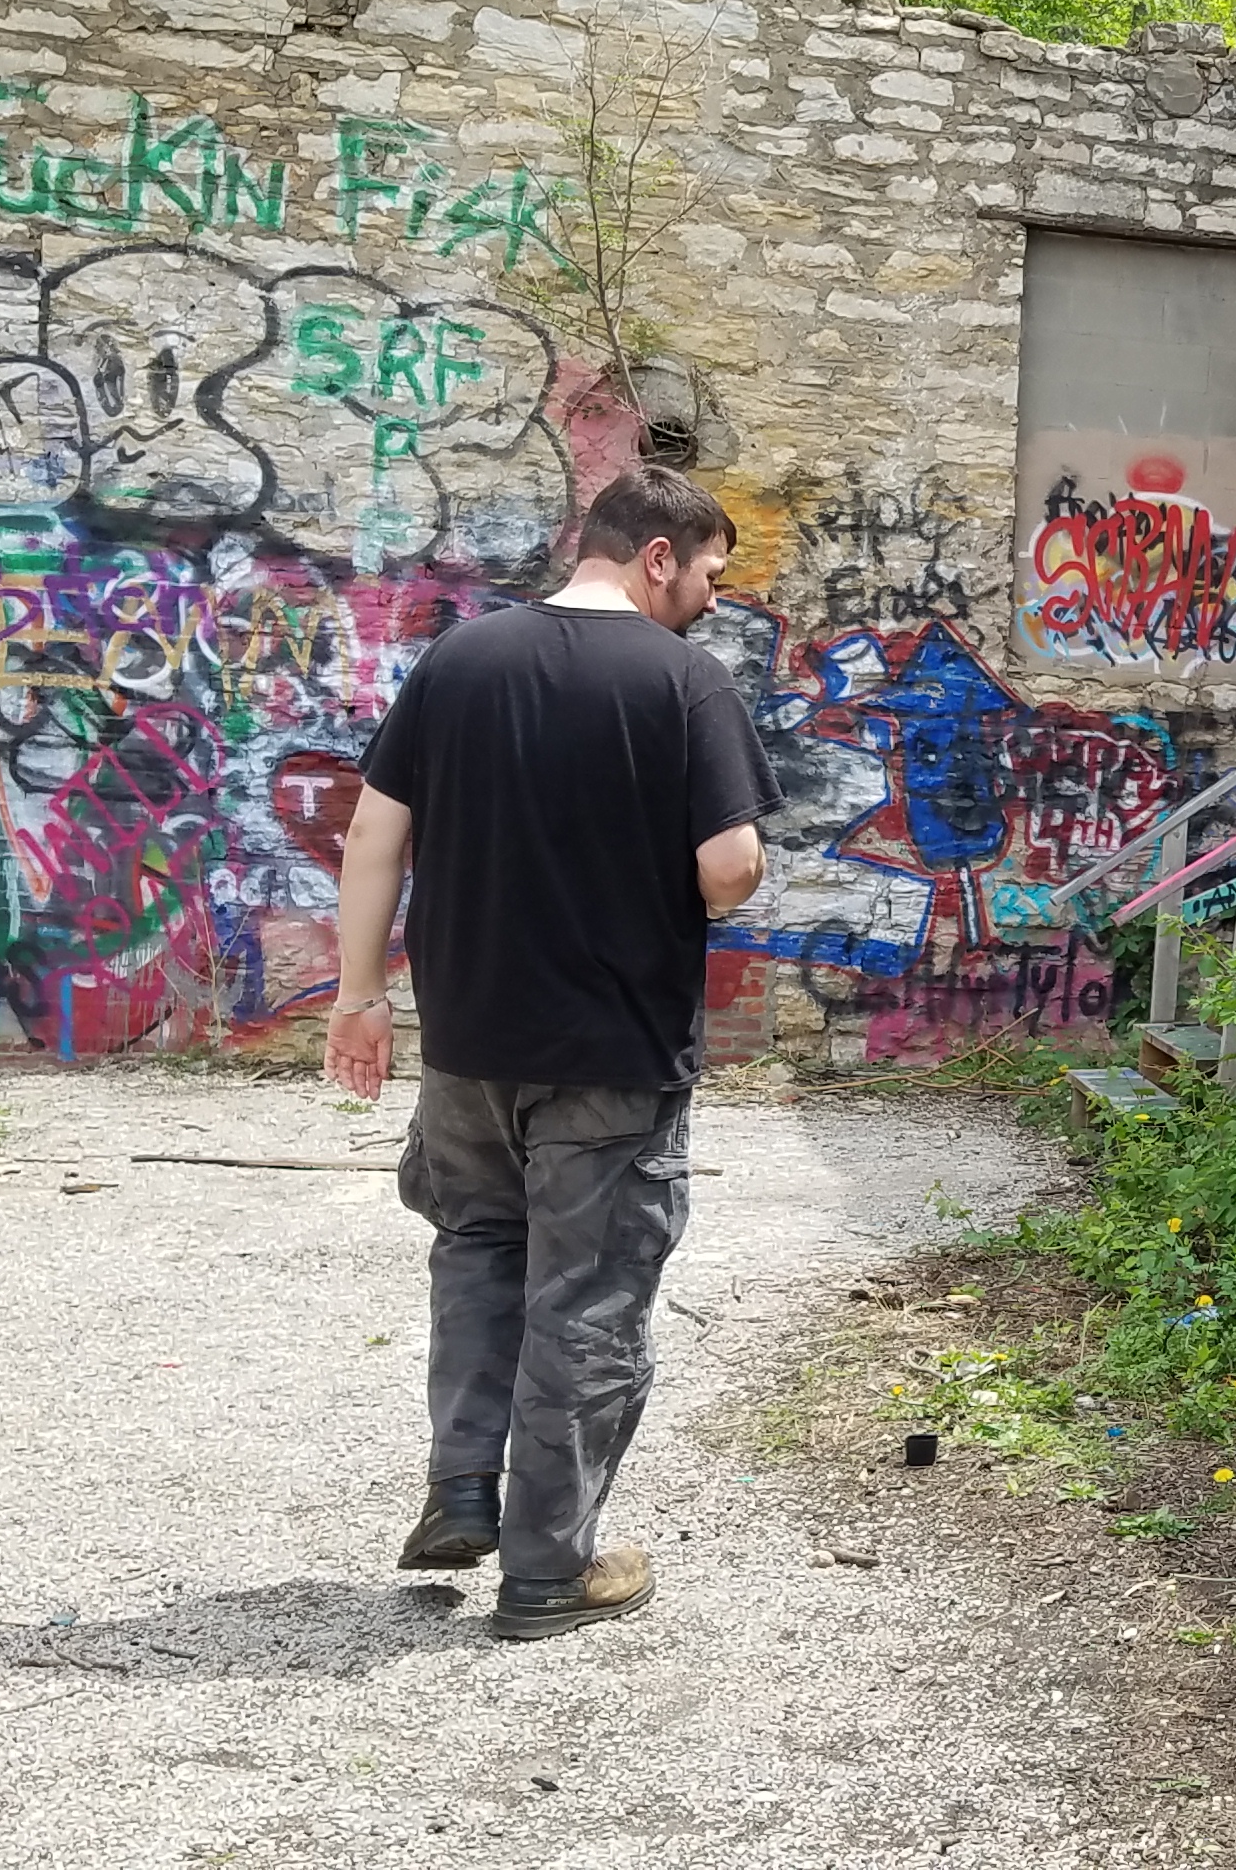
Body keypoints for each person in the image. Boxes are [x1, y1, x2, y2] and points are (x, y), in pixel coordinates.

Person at [325, 464, 778, 1640]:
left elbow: (375, 834)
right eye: (710, 573)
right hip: (611, 1053)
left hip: (467, 1044)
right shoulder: (682, 681)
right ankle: (547, 1572)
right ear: (658, 556)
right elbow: (729, 867)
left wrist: (360, 998)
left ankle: (463, 1484)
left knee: (479, 1246)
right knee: (589, 1298)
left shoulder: (459, 661)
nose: (714, 600)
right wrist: (702, 880)